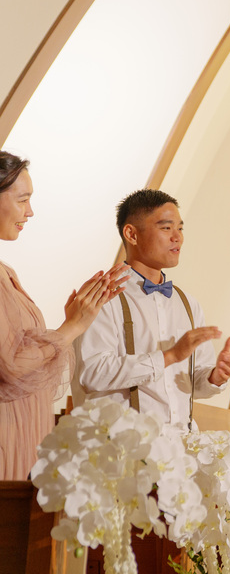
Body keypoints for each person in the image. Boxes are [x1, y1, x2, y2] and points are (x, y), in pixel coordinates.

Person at [0, 152, 128, 479]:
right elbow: (11, 366)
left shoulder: (7, 273)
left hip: (20, 426)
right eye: (23, 200)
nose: (30, 211)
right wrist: (71, 328)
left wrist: (72, 321)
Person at [73, 188, 230, 428]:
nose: (177, 237)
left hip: (179, 442)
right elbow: (92, 373)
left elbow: (191, 384)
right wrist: (169, 357)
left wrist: (215, 376)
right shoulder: (104, 296)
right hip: (121, 443)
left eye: (180, 228)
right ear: (131, 234)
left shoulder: (188, 303)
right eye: (166, 228)